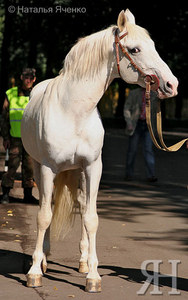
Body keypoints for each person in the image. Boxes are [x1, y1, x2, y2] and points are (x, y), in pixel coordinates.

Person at [1, 68, 37, 204]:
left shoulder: (37, 95)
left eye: (31, 78)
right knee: (12, 167)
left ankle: (28, 195)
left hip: (31, 139)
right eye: (25, 77)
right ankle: (5, 194)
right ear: (21, 78)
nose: (28, 80)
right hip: (15, 138)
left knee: (30, 168)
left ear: (34, 79)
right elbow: (4, 118)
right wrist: (5, 137)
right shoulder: (11, 94)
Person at [124, 87, 158, 182]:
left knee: (148, 150)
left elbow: (157, 111)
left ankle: (151, 175)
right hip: (136, 124)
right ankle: (129, 174)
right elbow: (127, 107)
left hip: (148, 126)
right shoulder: (134, 92)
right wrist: (129, 122)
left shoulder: (154, 94)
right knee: (132, 150)